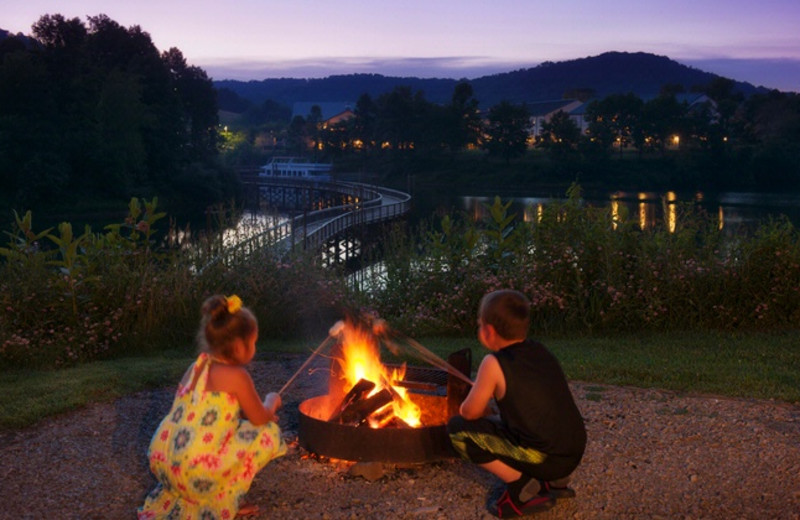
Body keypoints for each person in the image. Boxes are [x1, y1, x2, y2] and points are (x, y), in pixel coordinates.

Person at [138, 294, 286, 519]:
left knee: (231, 432)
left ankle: (190, 498)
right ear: (238, 346)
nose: (255, 347)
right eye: (253, 342)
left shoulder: (196, 367)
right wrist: (271, 401)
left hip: (165, 463)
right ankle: (225, 499)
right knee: (268, 434)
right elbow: (259, 418)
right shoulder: (237, 376)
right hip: (195, 473)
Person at [447, 289, 586, 518]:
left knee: (458, 431)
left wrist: (477, 398)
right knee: (510, 423)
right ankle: (555, 481)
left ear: (489, 331)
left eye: (480, 324)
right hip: (573, 449)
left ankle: (522, 485)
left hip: (544, 457)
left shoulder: (493, 363)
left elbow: (469, 413)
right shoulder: (540, 350)